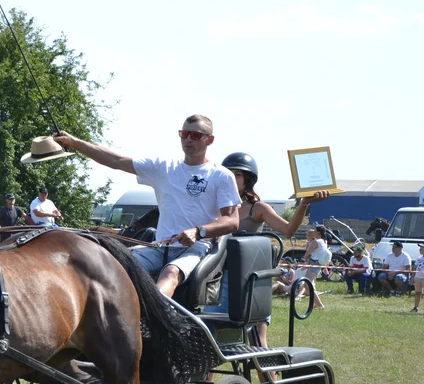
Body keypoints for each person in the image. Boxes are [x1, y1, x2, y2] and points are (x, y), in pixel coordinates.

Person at [55, 114, 240, 297]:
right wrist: (74, 142)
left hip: (197, 248)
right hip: (160, 248)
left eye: (196, 135)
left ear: (210, 140)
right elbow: (116, 161)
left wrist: (198, 232)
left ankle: (156, 320)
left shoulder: (221, 176)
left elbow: (232, 221)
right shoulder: (164, 168)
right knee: (114, 266)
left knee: (171, 273)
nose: (188, 139)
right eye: (184, 134)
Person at [215, 152, 329, 345]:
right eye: (228, 174)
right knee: (213, 339)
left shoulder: (257, 208)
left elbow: (289, 229)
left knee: (258, 341)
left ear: (249, 179)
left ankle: (268, 377)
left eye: (238, 175)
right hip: (216, 277)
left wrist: (304, 203)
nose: (232, 179)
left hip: (249, 278)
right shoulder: (214, 206)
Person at [299, 225, 330, 310]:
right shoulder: (323, 241)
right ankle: (317, 304)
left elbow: (307, 253)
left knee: (307, 284)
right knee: (309, 284)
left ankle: (320, 305)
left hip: (314, 263)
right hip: (317, 264)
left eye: (315, 231)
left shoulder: (316, 242)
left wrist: (301, 260)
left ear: (318, 233)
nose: (313, 232)